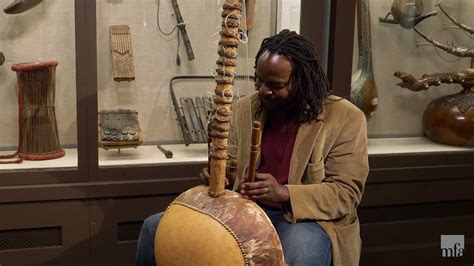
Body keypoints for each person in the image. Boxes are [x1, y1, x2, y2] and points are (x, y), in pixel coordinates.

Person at [136, 29, 369, 266]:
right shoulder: (243, 109)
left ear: (301, 80)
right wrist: (222, 175)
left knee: (301, 254)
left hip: (304, 219)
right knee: (155, 227)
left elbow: (346, 193)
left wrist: (285, 192)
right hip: (246, 211)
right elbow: (232, 167)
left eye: (275, 85)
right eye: (259, 81)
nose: (263, 91)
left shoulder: (345, 118)